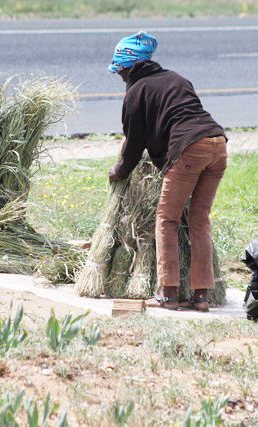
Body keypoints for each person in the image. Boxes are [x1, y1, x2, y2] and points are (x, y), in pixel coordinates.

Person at [107, 32, 228, 312]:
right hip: (218, 144)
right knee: (199, 219)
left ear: (129, 66)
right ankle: (200, 297)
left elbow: (134, 143)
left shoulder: (136, 92)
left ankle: (169, 295)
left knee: (167, 219)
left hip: (190, 148)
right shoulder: (177, 79)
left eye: (120, 70)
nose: (120, 76)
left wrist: (120, 171)